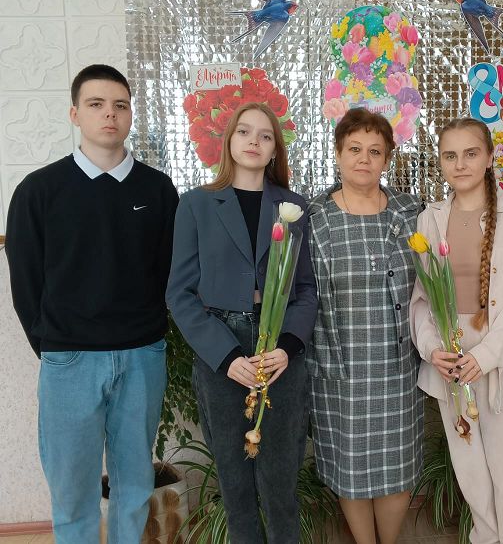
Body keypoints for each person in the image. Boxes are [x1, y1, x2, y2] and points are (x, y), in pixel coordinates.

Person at [5, 64, 178, 543]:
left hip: (142, 356)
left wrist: (150, 333)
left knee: (134, 486)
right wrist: (55, 345)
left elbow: (169, 274)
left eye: (120, 105)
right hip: (69, 360)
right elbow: (26, 283)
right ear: (75, 114)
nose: (110, 114)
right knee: (73, 491)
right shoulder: (38, 191)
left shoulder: (158, 190)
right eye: (97, 104)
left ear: (131, 115)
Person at [166, 101, 317, 543]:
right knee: (234, 483)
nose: (254, 141)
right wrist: (227, 356)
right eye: (245, 132)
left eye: (265, 136)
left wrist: (287, 349)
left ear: (275, 150)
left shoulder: (293, 207)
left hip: (279, 353)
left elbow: (306, 289)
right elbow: (180, 293)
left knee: (280, 483)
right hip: (222, 347)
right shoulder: (196, 204)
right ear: (229, 141)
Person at [410, 117, 503, 544]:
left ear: (489, 157)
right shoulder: (430, 220)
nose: (460, 164)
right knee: (472, 478)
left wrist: (484, 356)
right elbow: (421, 300)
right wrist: (432, 348)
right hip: (451, 363)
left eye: (471, 153)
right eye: (450, 155)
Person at [307, 108, 424, 544]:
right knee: (350, 466)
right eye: (354, 148)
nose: (364, 158)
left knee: (397, 467)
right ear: (338, 154)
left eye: (375, 151)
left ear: (387, 159)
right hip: (340, 368)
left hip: (398, 366)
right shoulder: (313, 217)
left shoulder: (411, 212)